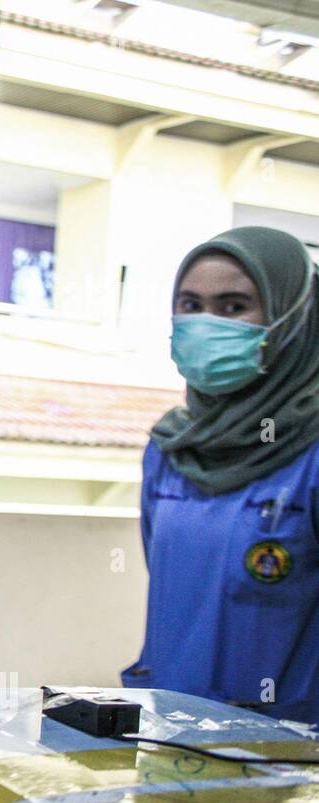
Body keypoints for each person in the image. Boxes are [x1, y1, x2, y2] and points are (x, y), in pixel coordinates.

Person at [127, 225, 319, 725]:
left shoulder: (311, 452)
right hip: (171, 734)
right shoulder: (171, 449)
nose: (207, 325)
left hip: (293, 756)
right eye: (191, 305)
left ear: (291, 318)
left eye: (234, 307)